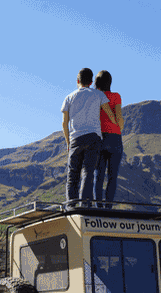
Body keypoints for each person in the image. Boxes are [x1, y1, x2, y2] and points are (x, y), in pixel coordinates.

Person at [61, 68, 117, 209]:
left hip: (76, 138)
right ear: (91, 82)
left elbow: (64, 122)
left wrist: (68, 142)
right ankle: (85, 204)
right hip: (93, 137)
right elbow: (109, 113)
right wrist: (116, 125)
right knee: (88, 172)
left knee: (73, 174)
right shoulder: (98, 94)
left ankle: (71, 207)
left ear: (77, 81)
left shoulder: (69, 97)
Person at [93, 70, 124, 207]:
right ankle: (108, 207)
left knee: (97, 176)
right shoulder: (116, 96)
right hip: (114, 137)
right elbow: (119, 118)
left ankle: (98, 207)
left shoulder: (95, 97)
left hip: (99, 137)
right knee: (112, 176)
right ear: (110, 82)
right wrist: (118, 129)